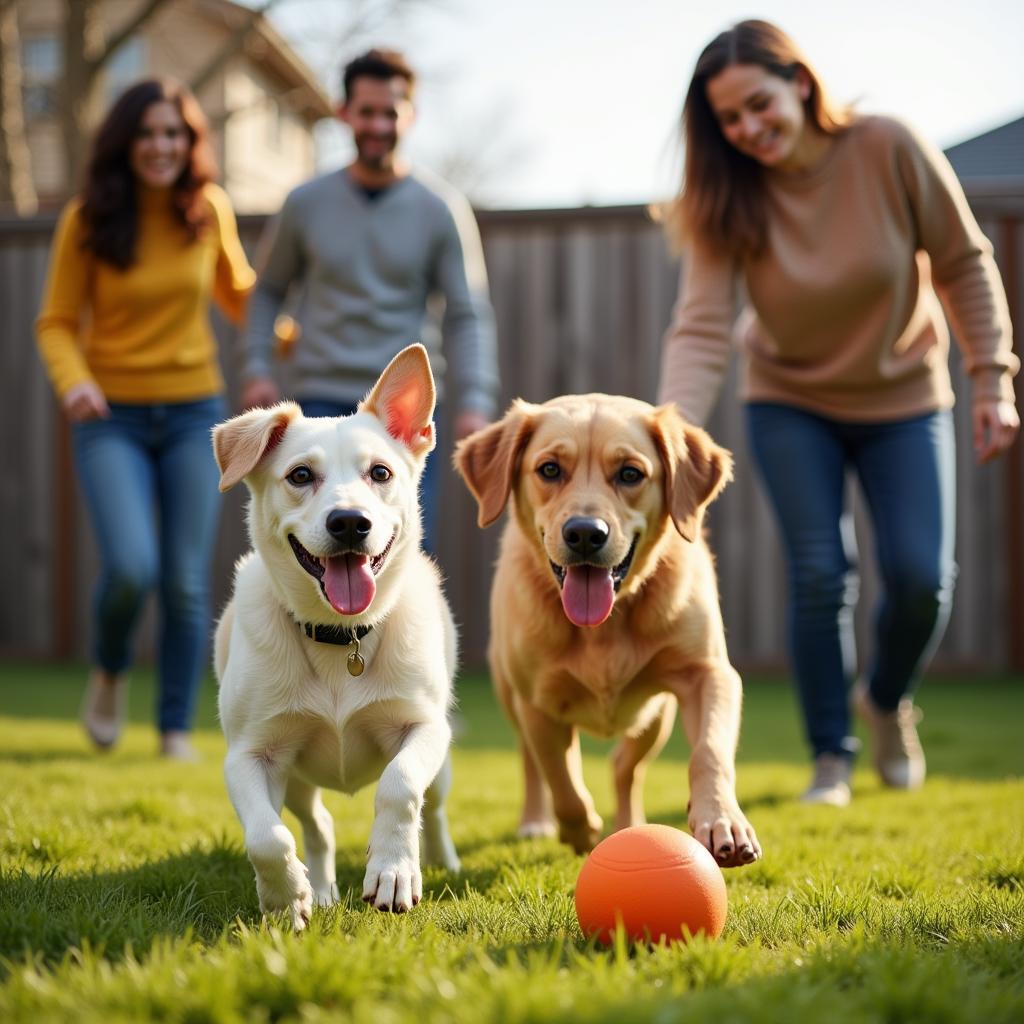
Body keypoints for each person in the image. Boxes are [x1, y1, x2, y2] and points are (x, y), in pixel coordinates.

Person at [658, 20, 1019, 806]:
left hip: (904, 396)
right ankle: (832, 757)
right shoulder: (729, 196)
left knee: (925, 579)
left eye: (760, 104)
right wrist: (666, 434)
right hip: (789, 400)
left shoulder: (888, 148)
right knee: (822, 576)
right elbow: (703, 324)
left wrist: (992, 376)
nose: (750, 129)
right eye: (730, 120)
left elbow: (963, 260)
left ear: (799, 81)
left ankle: (885, 701)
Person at [35, 79, 255, 760]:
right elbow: (57, 323)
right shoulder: (88, 219)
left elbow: (241, 295)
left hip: (195, 412)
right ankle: (108, 673)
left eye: (174, 134)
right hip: (111, 417)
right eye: (148, 133)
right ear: (125, 143)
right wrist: (75, 384)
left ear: (190, 143)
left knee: (186, 579)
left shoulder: (207, 211)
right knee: (132, 566)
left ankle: (173, 732)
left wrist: (296, 329)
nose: (161, 146)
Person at [239, 48, 499, 553]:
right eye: (367, 112)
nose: (379, 124)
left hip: (398, 420)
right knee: (309, 555)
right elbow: (267, 290)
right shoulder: (305, 204)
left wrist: (474, 401)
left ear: (411, 116)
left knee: (399, 559)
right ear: (344, 113)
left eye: (391, 113)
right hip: (318, 403)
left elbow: (468, 313)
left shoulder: (440, 209)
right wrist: (256, 367)